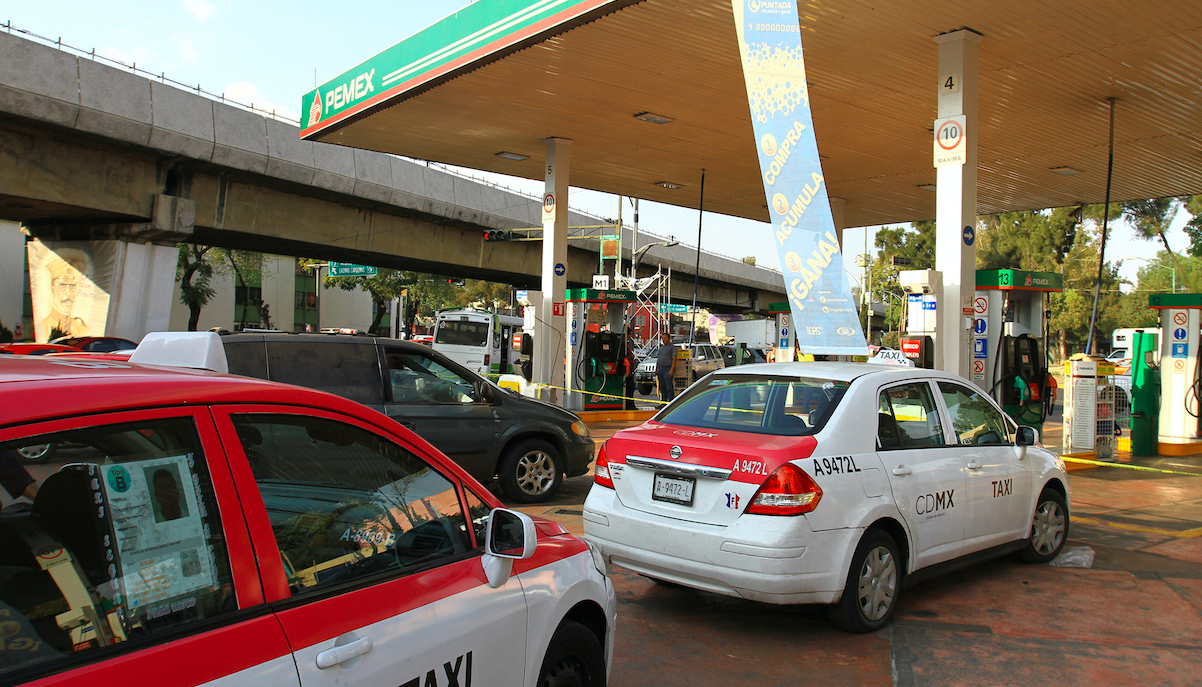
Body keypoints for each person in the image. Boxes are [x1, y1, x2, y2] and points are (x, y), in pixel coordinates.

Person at [655, 332, 677, 403]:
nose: (663, 340)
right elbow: (659, 359)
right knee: (662, 387)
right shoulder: (661, 348)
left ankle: (670, 402)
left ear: (669, 339)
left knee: (669, 387)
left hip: (667, 369)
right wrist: (656, 369)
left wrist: (671, 370)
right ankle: (663, 402)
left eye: (665, 338)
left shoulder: (672, 347)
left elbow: (674, 358)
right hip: (660, 369)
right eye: (662, 338)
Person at [623, 329, 637, 410]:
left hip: (629, 369)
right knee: (630, 387)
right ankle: (629, 405)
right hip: (627, 369)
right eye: (629, 334)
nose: (630, 336)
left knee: (631, 387)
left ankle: (630, 404)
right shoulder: (624, 344)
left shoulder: (626, 344)